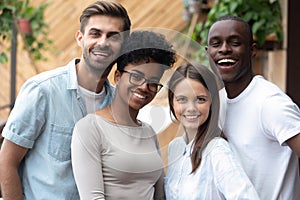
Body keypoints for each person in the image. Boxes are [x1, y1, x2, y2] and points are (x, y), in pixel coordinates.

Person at [0, 1, 131, 199]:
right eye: (95, 34)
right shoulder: (43, 91)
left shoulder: (118, 104)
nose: (103, 42)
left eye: (113, 36)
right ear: (80, 38)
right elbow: (7, 161)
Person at [71, 30, 176, 200]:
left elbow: (159, 194)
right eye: (136, 76)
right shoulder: (90, 129)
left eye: (153, 83)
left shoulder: (148, 132)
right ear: (118, 76)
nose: (144, 87)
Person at [206, 15, 300, 200]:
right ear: (207, 52)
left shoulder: (270, 102)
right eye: (216, 44)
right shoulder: (215, 103)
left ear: (252, 50)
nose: (224, 49)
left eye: (234, 42)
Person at [164, 61, 259, 199]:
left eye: (200, 99)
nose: (191, 108)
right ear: (172, 102)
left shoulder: (217, 150)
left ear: (212, 102)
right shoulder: (175, 148)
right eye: (182, 99)